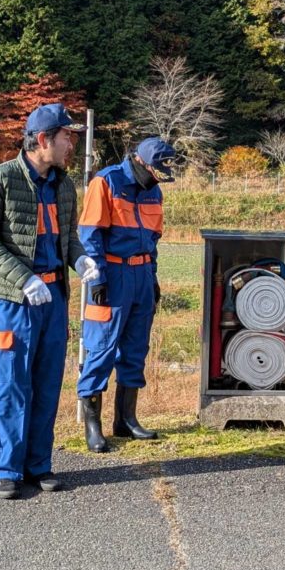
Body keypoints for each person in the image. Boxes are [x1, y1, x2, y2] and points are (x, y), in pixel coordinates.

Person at [0, 103, 98, 499]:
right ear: (42, 140)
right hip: (13, 300)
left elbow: (67, 237)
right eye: (66, 137)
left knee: (46, 385)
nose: (71, 144)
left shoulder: (62, 184)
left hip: (53, 299)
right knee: (12, 385)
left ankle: (38, 465)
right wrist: (23, 278)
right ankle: (6, 468)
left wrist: (78, 257)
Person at [76, 137, 176, 452]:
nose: (160, 176)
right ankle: (94, 426)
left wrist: (153, 276)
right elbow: (89, 232)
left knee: (135, 350)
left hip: (143, 274)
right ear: (142, 162)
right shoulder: (106, 182)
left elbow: (153, 237)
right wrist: (98, 279)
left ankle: (126, 420)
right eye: (157, 169)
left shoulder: (154, 191)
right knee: (101, 348)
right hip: (112, 276)